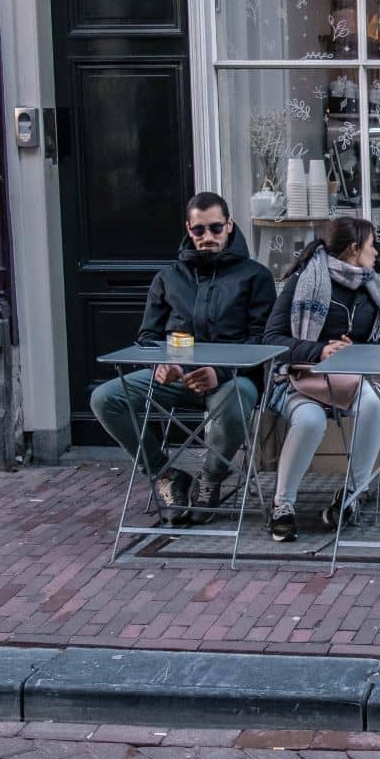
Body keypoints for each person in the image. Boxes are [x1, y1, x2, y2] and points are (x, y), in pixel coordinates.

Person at [90, 192, 275, 525]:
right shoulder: (168, 277)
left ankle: (211, 478)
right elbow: (148, 336)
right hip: (176, 377)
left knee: (234, 403)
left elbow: (261, 340)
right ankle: (164, 474)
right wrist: (162, 365)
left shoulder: (255, 276)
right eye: (199, 230)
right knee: (106, 398)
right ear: (188, 229)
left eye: (216, 228)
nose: (208, 238)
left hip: (233, 378)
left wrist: (219, 372)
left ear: (229, 225)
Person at [262, 217, 380, 542]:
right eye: (370, 245)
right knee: (309, 422)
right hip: (299, 379)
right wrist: (319, 351)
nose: (376, 251)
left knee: (374, 404)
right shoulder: (303, 281)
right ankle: (282, 505)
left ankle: (350, 496)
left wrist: (357, 351)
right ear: (354, 250)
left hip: (345, 379)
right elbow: (271, 339)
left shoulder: (372, 287)